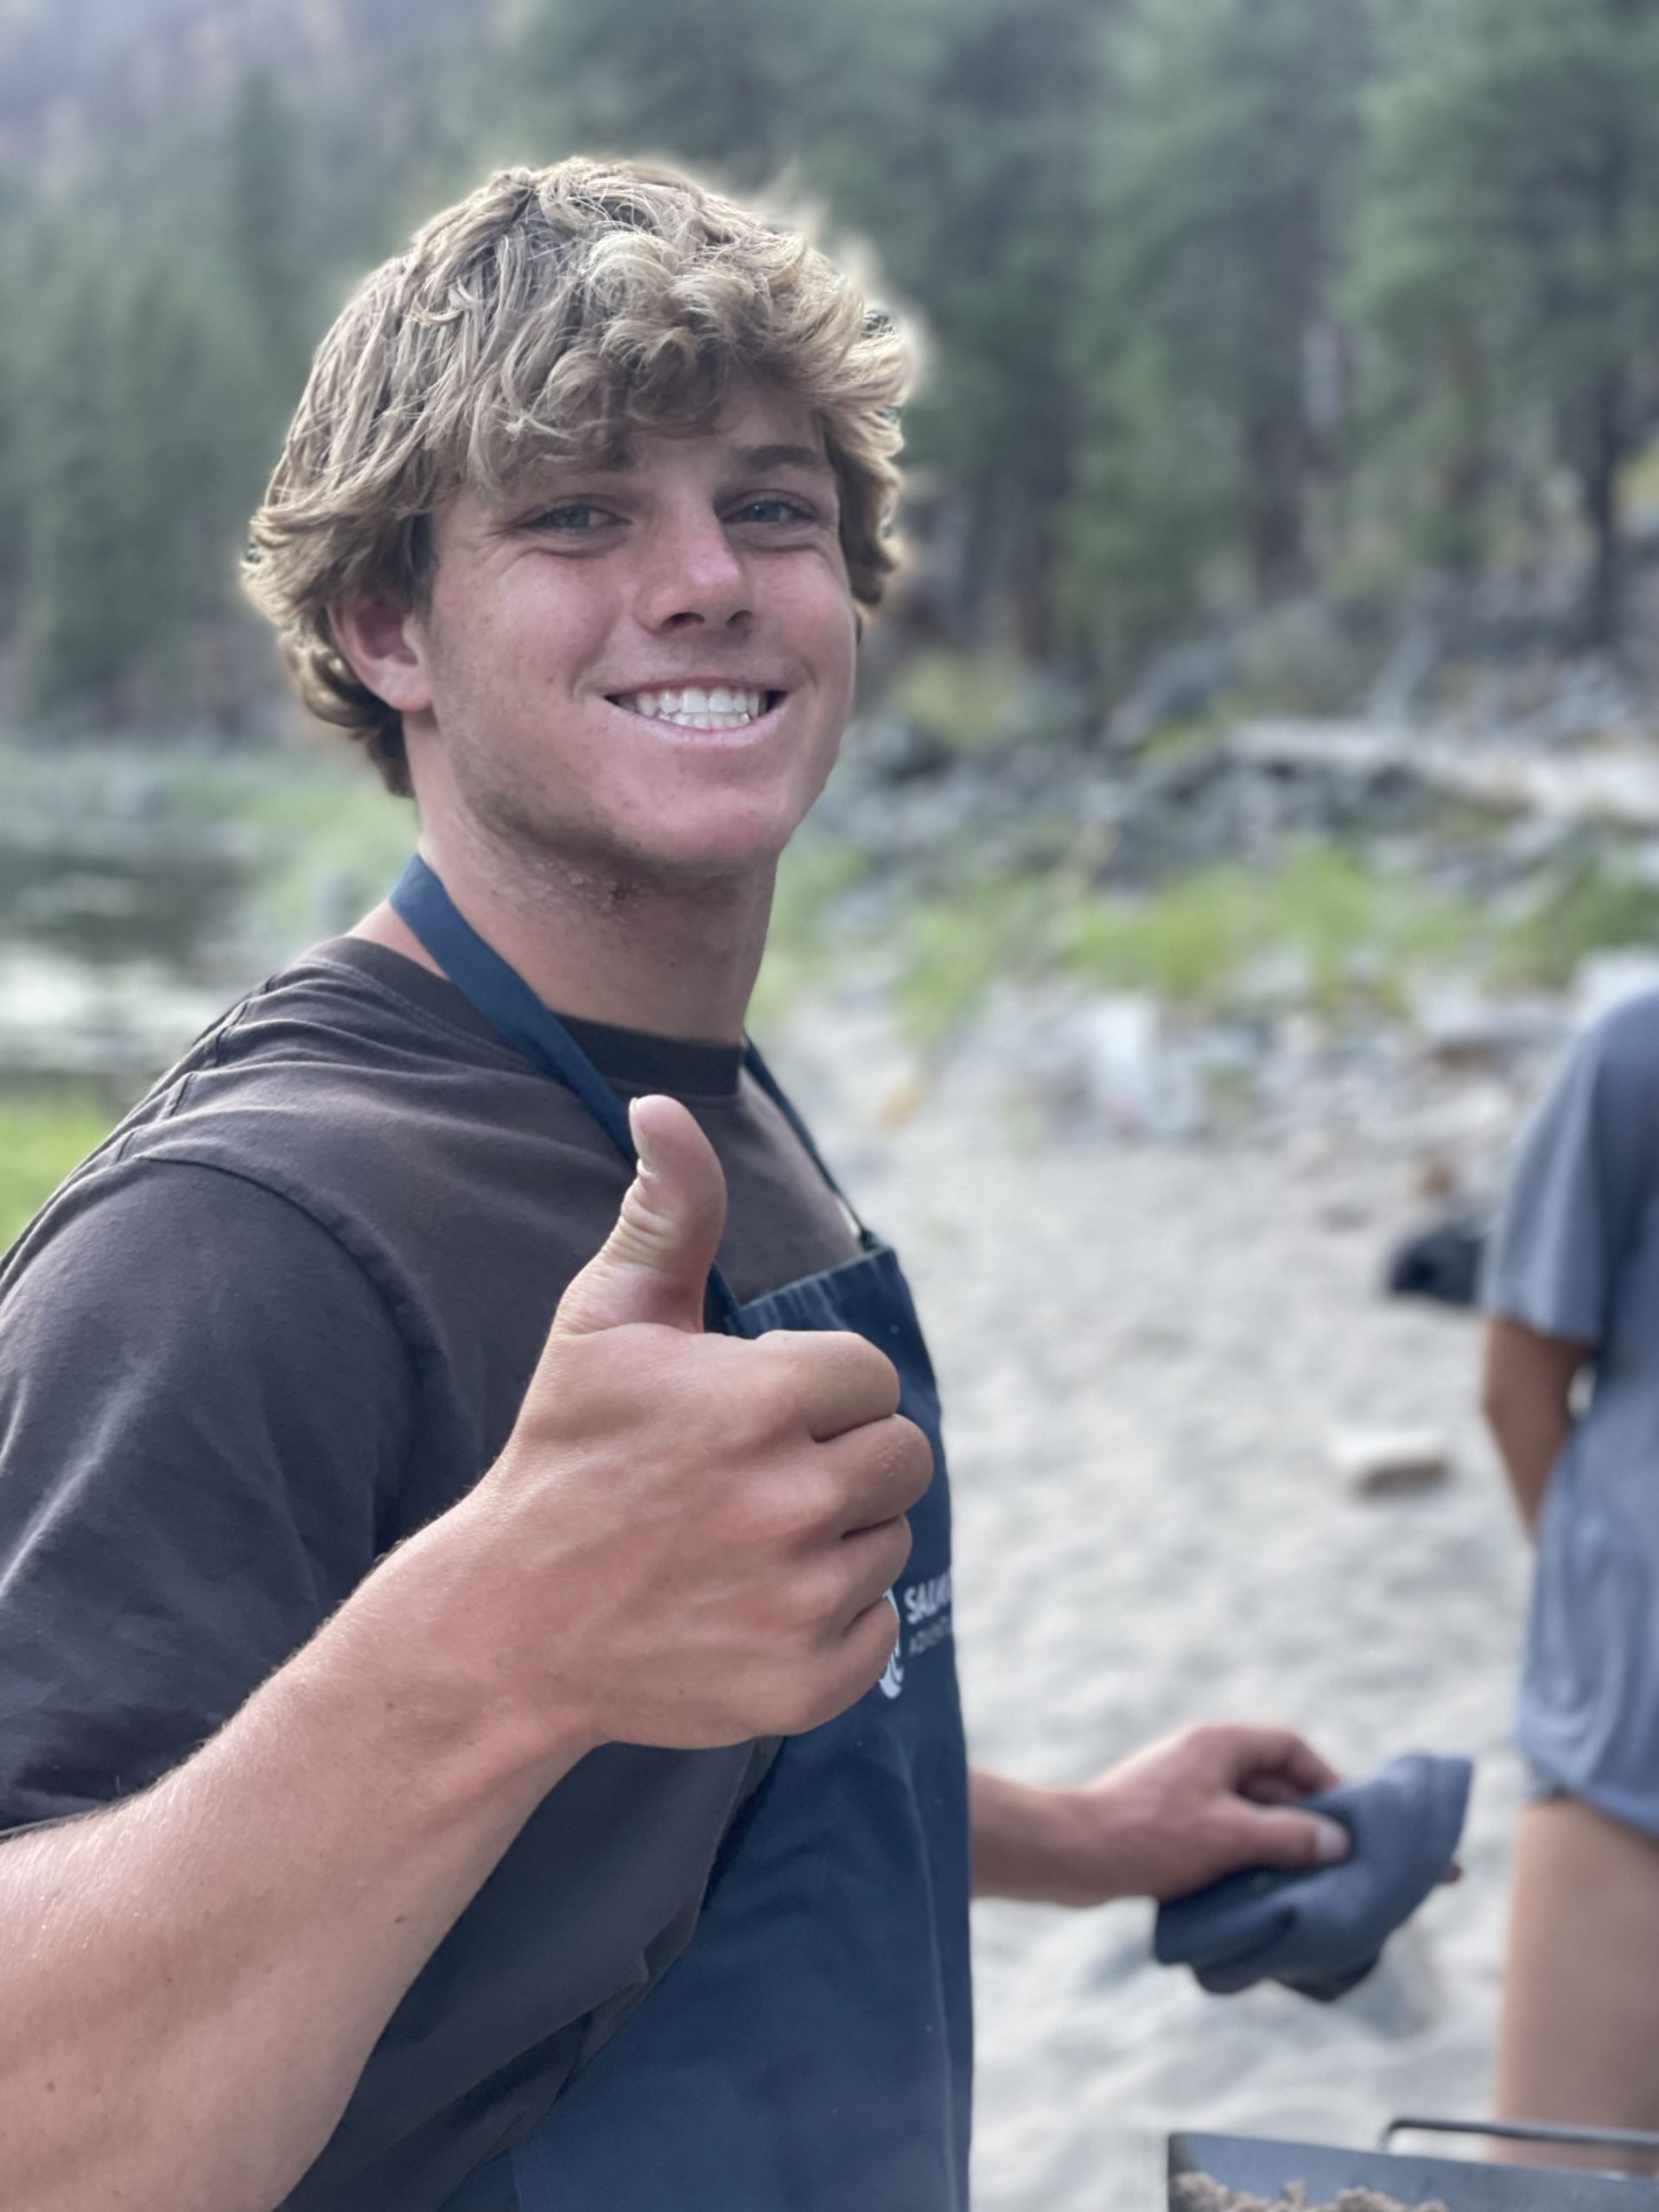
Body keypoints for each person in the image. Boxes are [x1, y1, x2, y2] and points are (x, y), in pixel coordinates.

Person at [0, 159, 1350, 2212]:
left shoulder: (710, 1109)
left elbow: (678, 1728)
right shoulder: (241, 1239)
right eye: (576, 511)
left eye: (772, 506)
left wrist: (1079, 1831)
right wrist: (494, 1638)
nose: (707, 577)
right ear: (387, 626)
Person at [1482, 985, 1659, 2169]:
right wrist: (1609, 1616)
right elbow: (1519, 1387)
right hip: (1633, 1766)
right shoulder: (1633, 1060)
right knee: (1561, 2184)